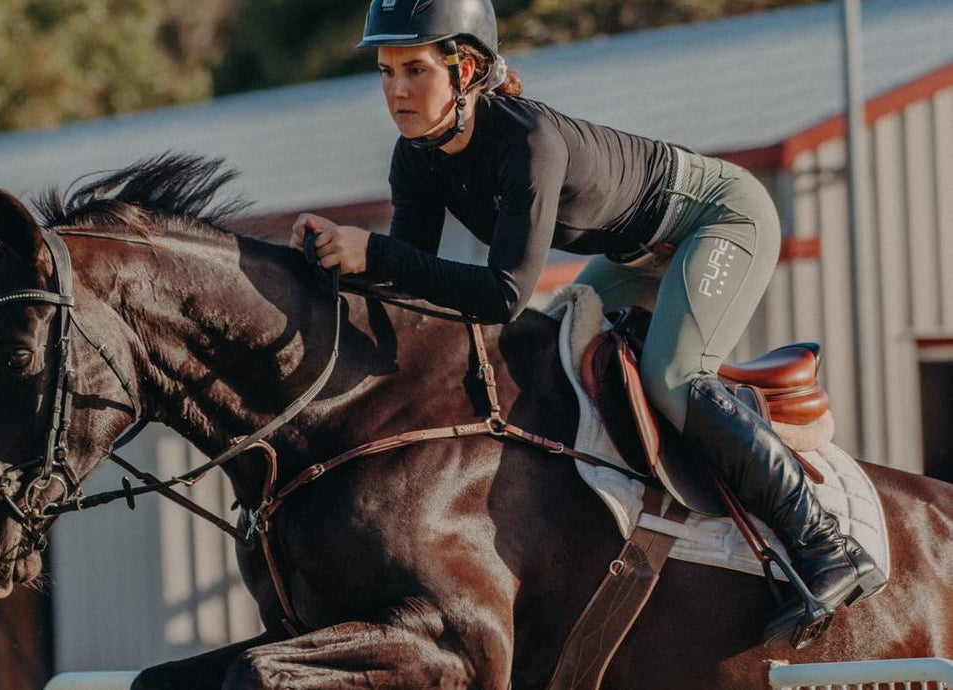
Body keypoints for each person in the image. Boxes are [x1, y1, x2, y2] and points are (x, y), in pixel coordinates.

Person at [289, 0, 885, 648]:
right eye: (384, 72)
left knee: (673, 374)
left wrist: (370, 253)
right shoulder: (416, 157)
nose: (396, 91)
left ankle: (826, 544)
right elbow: (410, 287)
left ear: (465, 72)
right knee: (543, 353)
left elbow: (503, 292)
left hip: (719, 218)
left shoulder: (525, 141)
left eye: (413, 70)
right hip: (632, 253)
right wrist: (329, 270)